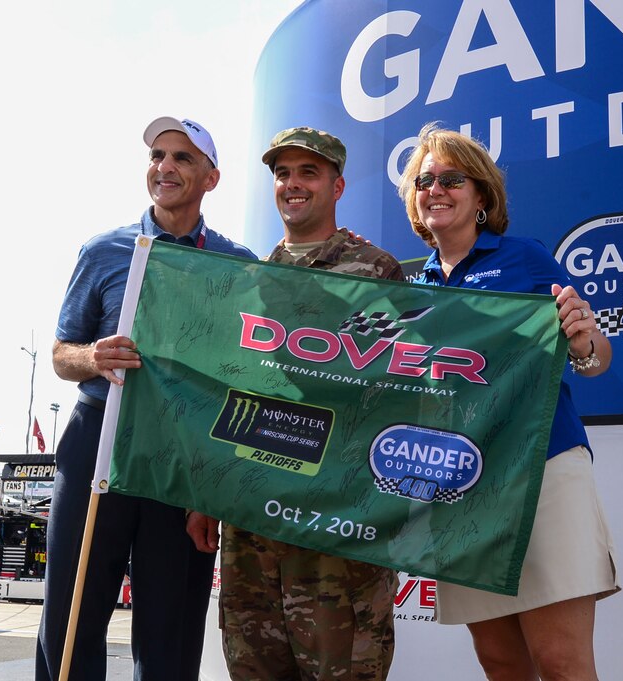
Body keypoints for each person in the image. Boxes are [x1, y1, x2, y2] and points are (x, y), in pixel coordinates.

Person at [35, 116, 257, 681]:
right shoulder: (105, 249)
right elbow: (61, 353)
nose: (166, 167)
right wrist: (93, 358)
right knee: (70, 618)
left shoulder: (236, 264)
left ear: (211, 178)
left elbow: (244, 377)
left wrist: (211, 484)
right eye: (158, 155)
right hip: (98, 437)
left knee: (170, 630)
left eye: (183, 158)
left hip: (181, 454)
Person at [396, 122, 620, 681]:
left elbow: (593, 358)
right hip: (463, 484)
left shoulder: (525, 258)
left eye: (452, 178)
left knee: (562, 662)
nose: (436, 190)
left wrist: (584, 341)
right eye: (425, 181)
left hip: (542, 469)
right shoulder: (410, 290)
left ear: (481, 196)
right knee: (500, 662)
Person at [188, 127, 403, 681]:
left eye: (308, 172)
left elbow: (398, 400)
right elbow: (228, 391)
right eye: (282, 173)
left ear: (338, 185)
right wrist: (206, 493)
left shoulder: (377, 272)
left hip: (334, 520)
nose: (292, 184)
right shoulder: (249, 282)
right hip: (251, 524)